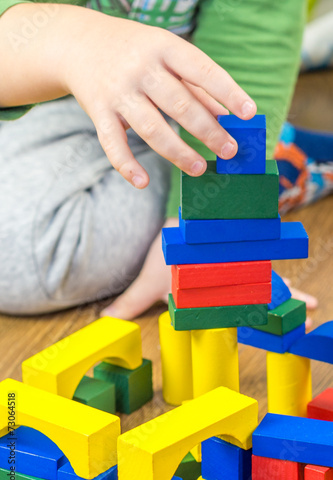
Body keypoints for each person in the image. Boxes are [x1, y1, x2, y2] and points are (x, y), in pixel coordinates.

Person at [0, 0, 316, 320]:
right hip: (39, 94)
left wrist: (203, 221)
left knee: (35, 255)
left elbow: (248, 52)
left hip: (188, 100)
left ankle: (276, 158)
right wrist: (75, 42)